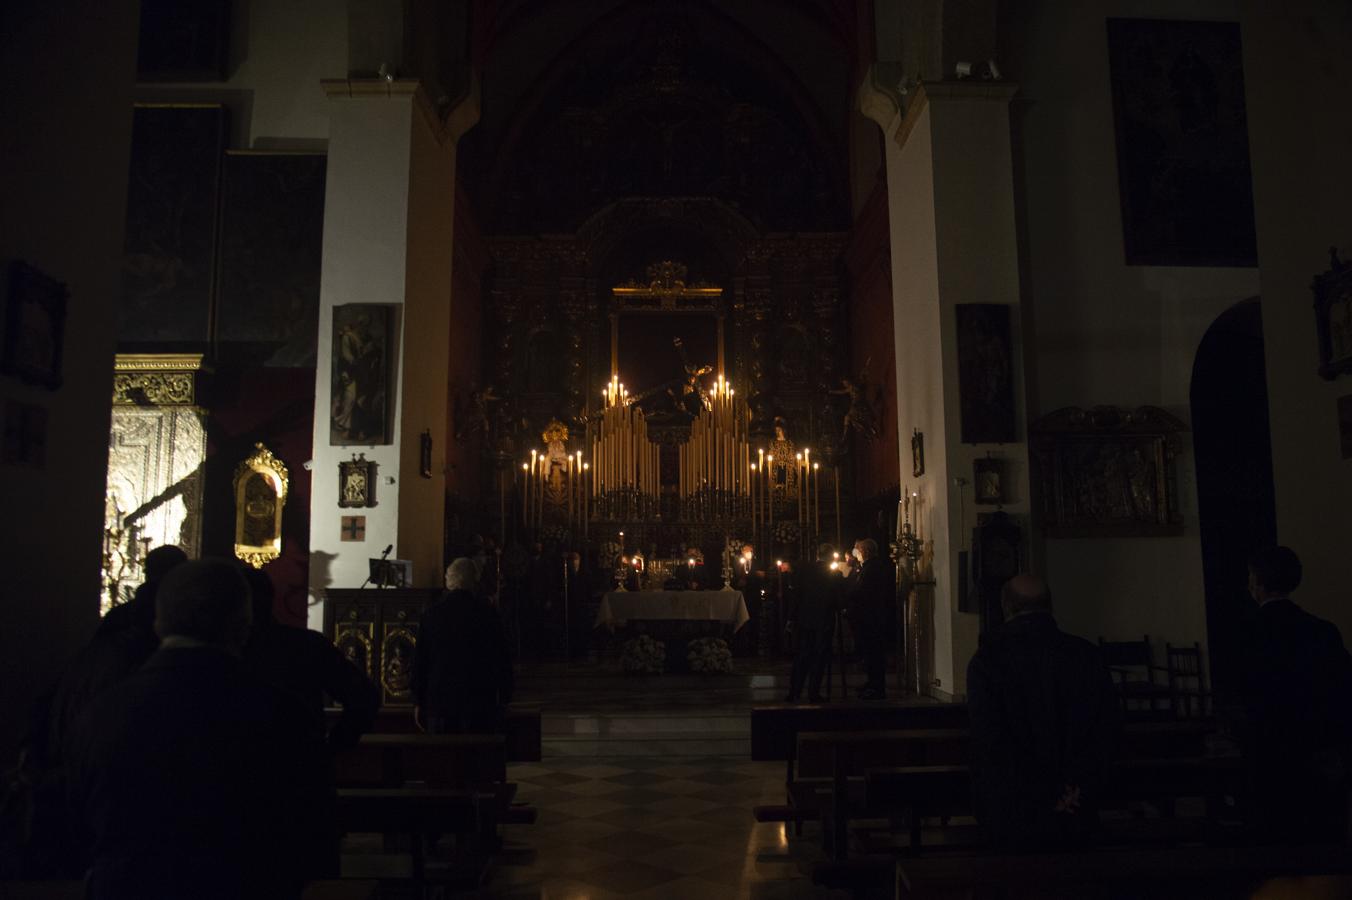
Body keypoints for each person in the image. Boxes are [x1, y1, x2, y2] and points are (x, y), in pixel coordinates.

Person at [63, 558, 332, 899]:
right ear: (243, 625)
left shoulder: (101, 714)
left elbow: (77, 829)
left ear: (160, 623)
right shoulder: (282, 715)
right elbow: (313, 839)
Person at [966, 575, 1119, 849]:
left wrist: (1036, 795)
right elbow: (1103, 731)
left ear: (1006, 607)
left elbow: (990, 740)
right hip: (1076, 806)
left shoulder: (988, 660)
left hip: (1013, 810)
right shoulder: (1086, 655)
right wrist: (1073, 790)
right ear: (1049, 606)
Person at [1236, 546, 1352, 842]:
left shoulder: (1248, 634)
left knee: (1274, 845)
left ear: (1258, 583)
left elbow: (1241, 696)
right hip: (1317, 752)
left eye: (1251, 576)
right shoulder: (1323, 631)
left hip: (1269, 757)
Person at [239, 566, 378, 752]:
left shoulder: (221, 650)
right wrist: (334, 747)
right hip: (300, 763)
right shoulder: (306, 644)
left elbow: (363, 696)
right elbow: (364, 697)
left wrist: (334, 746)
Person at [413, 558, 515, 733]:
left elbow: (420, 661)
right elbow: (501, 658)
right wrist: (505, 696)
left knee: (442, 756)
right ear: (474, 581)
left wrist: (418, 700)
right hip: (480, 699)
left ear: (449, 580)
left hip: (440, 701)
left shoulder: (431, 615)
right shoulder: (487, 614)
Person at [786, 544, 842, 703]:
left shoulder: (805, 571)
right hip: (824, 621)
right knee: (819, 658)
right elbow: (837, 599)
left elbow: (796, 595)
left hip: (804, 619)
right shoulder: (834, 574)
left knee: (802, 656)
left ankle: (794, 692)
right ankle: (813, 692)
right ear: (831, 557)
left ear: (817, 555)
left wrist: (791, 618)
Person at [843, 538, 893, 699]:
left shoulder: (872, 568)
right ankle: (872, 683)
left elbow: (863, 591)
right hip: (868, 617)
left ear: (865, 551)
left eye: (858, 551)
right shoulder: (869, 567)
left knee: (874, 654)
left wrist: (847, 593)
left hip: (871, 617)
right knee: (870, 654)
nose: (855, 554)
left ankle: (877, 688)